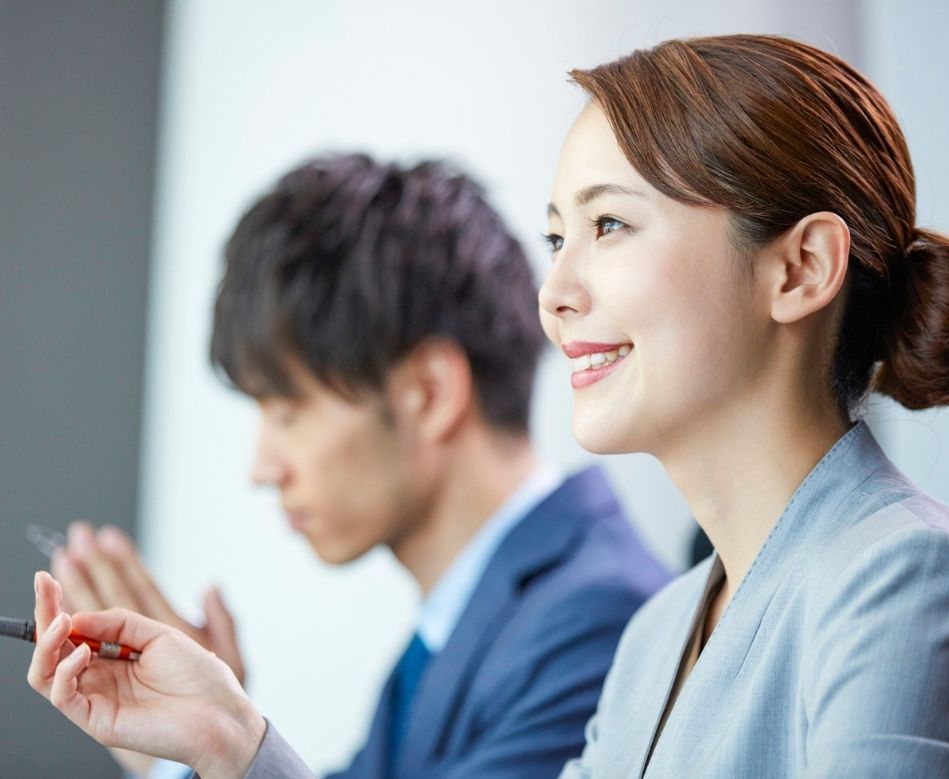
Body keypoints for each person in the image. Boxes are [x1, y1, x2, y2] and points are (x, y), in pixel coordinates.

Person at [28, 32, 949, 777]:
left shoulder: (903, 583)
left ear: (799, 267)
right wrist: (227, 736)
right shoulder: (658, 632)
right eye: (554, 237)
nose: (556, 292)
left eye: (609, 224)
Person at [34, 153, 668, 778]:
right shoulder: (454, 629)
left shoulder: (597, 626)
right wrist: (188, 736)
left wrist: (222, 737)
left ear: (429, 392)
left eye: (288, 409)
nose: (263, 468)